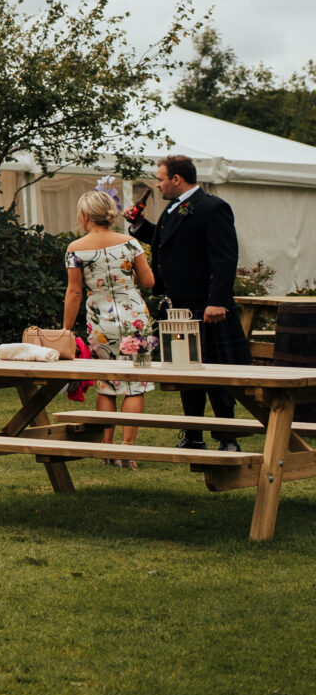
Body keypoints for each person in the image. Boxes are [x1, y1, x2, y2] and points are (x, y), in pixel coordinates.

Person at [128, 154, 243, 449]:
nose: (158, 184)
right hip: (179, 306)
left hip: (206, 307)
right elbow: (168, 241)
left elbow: (225, 258)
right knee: (187, 373)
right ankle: (193, 436)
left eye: (161, 179)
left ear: (177, 179)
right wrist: (141, 226)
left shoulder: (212, 208)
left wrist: (217, 301)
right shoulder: (173, 209)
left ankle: (227, 439)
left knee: (216, 374)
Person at [65, 188, 157, 465]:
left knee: (106, 383)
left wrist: (66, 330)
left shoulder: (75, 249)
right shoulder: (130, 243)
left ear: (84, 215)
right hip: (135, 319)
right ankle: (127, 450)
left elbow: (74, 292)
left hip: (100, 320)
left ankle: (106, 448)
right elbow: (148, 282)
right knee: (135, 385)